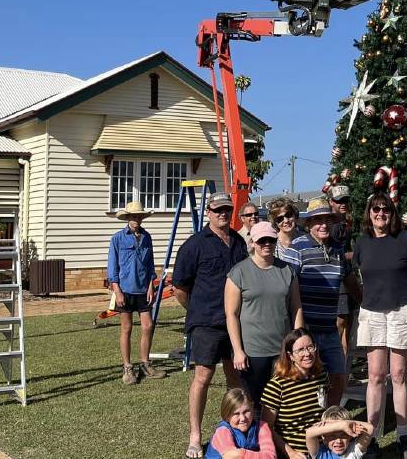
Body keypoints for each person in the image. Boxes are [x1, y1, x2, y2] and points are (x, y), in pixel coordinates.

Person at [174, 192, 250, 459]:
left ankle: (237, 431)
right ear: (208, 212)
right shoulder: (194, 245)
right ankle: (195, 436)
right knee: (202, 377)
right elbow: (180, 288)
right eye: (218, 210)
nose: (223, 214)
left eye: (227, 210)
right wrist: (197, 311)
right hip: (206, 323)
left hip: (236, 323)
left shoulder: (239, 243)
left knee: (235, 378)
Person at [353, 193, 407, 456]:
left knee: (398, 374)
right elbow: (362, 276)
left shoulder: (405, 239)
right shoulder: (362, 243)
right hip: (372, 313)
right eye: (375, 209)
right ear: (369, 213)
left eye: (385, 209)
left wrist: (402, 298)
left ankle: (403, 436)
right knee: (375, 376)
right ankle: (370, 437)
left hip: (401, 310)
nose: (380, 213)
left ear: (392, 213)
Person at [282, 197, 354, 406]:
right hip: (306, 330)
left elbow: (349, 280)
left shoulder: (338, 249)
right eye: (318, 221)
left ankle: (328, 424)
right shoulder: (298, 248)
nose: (323, 225)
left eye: (327, 220)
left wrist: (365, 303)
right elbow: (287, 286)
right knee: (305, 383)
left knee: (339, 379)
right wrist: (297, 330)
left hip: (330, 329)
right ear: (309, 224)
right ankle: (308, 428)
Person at [227, 222, 305, 402]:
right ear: (253, 242)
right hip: (252, 351)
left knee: (283, 401)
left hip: (281, 349)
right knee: (254, 402)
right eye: (262, 240)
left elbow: (296, 308)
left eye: (271, 239)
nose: (267, 244)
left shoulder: (287, 270)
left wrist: (297, 344)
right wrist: (238, 350)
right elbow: (231, 314)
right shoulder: (238, 272)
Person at [106, 200, 166, 385]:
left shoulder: (147, 237)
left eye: (139, 216)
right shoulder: (117, 238)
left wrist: (151, 286)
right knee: (127, 328)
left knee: (148, 325)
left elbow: (150, 264)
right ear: (127, 217)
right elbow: (112, 267)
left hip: (143, 289)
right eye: (133, 216)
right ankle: (127, 367)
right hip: (124, 289)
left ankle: (145, 363)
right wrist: (117, 290)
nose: (137, 219)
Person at [262, 329, 330, 459]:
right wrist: (290, 453)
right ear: (290, 356)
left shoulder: (322, 376)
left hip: (321, 449)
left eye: (310, 347)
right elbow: (265, 427)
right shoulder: (277, 385)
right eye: (300, 350)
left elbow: (323, 411)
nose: (307, 353)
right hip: (294, 453)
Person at [327, 185, 357, 363]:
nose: (343, 204)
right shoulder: (332, 225)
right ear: (331, 202)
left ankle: (344, 369)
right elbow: (333, 254)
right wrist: (358, 253)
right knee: (339, 325)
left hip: (348, 279)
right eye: (339, 201)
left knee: (347, 326)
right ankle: (336, 368)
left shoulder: (347, 223)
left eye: (345, 200)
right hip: (336, 281)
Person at [206, 388, 277, 459]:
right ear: (226, 416)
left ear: (252, 408)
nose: (243, 418)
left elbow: (271, 456)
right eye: (236, 414)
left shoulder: (262, 427)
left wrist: (240, 453)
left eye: (246, 411)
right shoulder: (223, 431)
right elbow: (230, 456)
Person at [305, 406, 374, 459]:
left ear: (350, 435)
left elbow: (370, 428)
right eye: (332, 436)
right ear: (324, 437)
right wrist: (342, 425)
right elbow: (309, 433)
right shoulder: (320, 453)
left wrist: (344, 423)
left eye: (343, 435)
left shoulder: (353, 451)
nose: (338, 441)